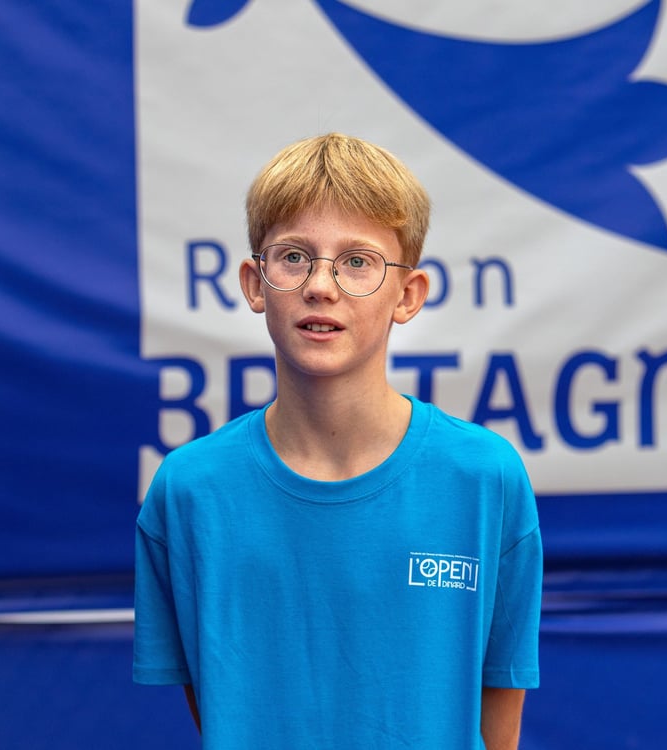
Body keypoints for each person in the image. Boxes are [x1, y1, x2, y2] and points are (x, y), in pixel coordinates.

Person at [133, 133, 543, 749]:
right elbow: (221, 705)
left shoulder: (485, 477)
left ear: (408, 295)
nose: (321, 285)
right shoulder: (189, 490)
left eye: (357, 262)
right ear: (255, 283)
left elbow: (496, 721)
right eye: (294, 256)